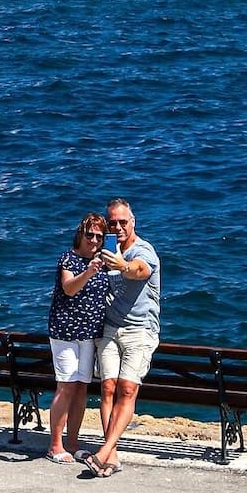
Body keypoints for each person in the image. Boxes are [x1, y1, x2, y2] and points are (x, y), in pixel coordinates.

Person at [81, 198, 161, 478]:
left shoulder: (143, 250)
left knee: (127, 389)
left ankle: (104, 451)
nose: (117, 227)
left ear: (133, 221)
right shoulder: (106, 252)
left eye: (122, 222)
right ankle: (111, 456)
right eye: (112, 223)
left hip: (140, 331)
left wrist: (122, 265)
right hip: (110, 330)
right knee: (108, 389)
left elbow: (142, 270)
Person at [46, 213, 108, 462]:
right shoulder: (69, 258)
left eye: (99, 237)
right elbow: (69, 288)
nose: (94, 240)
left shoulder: (104, 260)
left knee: (81, 387)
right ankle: (55, 445)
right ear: (80, 234)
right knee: (66, 385)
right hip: (66, 333)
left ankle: (72, 442)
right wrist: (89, 272)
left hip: (89, 334)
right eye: (89, 234)